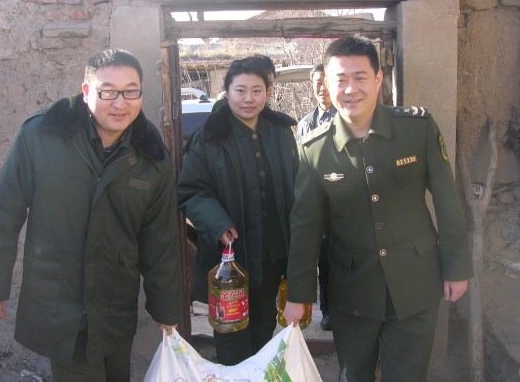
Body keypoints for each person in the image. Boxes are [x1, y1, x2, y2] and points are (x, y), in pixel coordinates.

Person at [0, 49, 182, 382]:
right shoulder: (42, 136)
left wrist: (165, 307)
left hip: (115, 300)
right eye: (108, 91)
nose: (120, 103)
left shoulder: (151, 158)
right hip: (59, 296)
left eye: (131, 92)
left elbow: (160, 239)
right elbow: (5, 210)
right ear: (86, 91)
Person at [283, 35, 472, 382]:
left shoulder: (416, 129)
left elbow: (447, 201)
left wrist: (456, 267)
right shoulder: (314, 149)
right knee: (353, 375)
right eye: (340, 79)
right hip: (352, 291)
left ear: (378, 79)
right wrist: (299, 295)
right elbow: (305, 226)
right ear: (327, 84)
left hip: (416, 282)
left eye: (360, 77)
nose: (350, 89)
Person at [178, 56, 298, 365]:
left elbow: (297, 186)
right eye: (240, 90)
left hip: (271, 253)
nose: (248, 99)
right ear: (227, 91)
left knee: (263, 326)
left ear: (268, 91)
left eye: (257, 90)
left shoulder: (281, 131)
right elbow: (191, 190)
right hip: (229, 259)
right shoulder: (209, 136)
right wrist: (217, 223)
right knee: (231, 333)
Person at [295, 63, 337, 331]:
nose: (322, 88)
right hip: (315, 204)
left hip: (342, 202)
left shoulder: (346, 118)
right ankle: (327, 311)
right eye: (316, 83)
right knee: (321, 260)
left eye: (326, 81)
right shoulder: (304, 124)